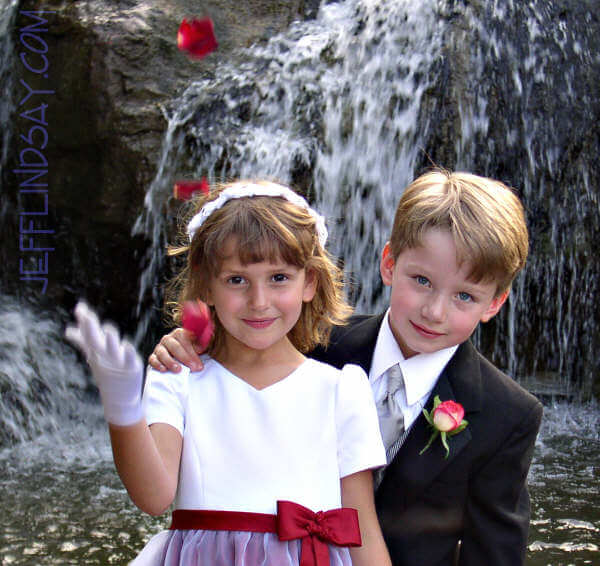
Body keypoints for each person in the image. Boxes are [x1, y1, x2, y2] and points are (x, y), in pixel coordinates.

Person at [149, 170, 544, 566]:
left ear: (494, 303)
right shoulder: (315, 345)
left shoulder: (508, 415)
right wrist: (189, 342)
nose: (435, 311)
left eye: (464, 296)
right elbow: (241, 357)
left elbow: (494, 553)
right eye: (421, 280)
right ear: (389, 263)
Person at [66, 180, 392, 566]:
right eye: (237, 280)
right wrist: (122, 407)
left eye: (279, 278)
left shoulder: (342, 389)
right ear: (206, 285)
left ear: (310, 282)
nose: (259, 302)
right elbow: (152, 497)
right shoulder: (178, 376)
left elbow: (361, 529)